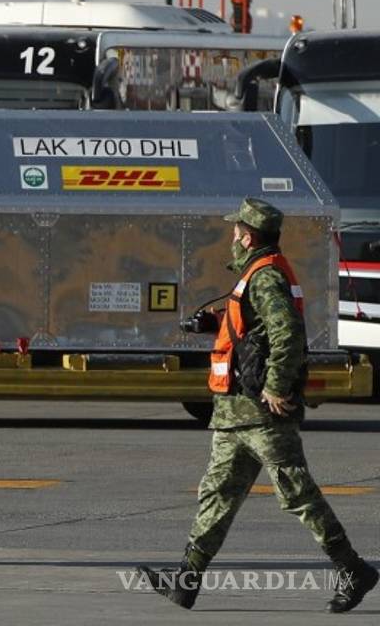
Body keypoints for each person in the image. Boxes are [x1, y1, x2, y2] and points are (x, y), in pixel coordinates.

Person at [137, 198, 377, 612]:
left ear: (247, 236)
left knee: (296, 492)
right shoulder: (257, 274)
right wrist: (214, 324)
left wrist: (276, 387)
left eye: (236, 231)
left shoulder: (264, 276)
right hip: (235, 413)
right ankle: (186, 581)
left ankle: (353, 569)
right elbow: (256, 328)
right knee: (217, 494)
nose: (232, 237)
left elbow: (286, 334)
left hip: (260, 413)